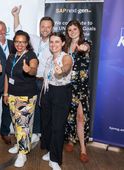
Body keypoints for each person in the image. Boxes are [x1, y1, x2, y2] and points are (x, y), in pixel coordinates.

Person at [12, 5, 54, 143]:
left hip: (45, 81)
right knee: (31, 109)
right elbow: (19, 32)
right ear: (40, 27)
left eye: (48, 27)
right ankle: (34, 132)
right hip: (30, 80)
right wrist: (16, 15)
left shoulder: (54, 43)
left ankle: (43, 134)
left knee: (44, 109)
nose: (45, 29)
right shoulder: (34, 39)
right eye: (43, 26)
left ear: (52, 29)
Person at [3, 30, 39, 168]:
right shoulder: (11, 56)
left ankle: (22, 154)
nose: (20, 44)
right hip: (12, 95)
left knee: (23, 126)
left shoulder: (31, 55)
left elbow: (34, 69)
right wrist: (5, 94)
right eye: (17, 41)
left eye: (23, 42)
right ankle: (20, 146)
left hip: (26, 96)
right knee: (16, 123)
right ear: (14, 42)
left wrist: (29, 69)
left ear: (27, 43)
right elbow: (7, 76)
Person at [41, 32, 73, 170]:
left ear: (63, 43)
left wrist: (61, 71)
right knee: (47, 124)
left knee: (57, 127)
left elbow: (66, 67)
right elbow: (47, 78)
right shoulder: (49, 59)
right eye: (51, 42)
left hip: (61, 93)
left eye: (57, 42)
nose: (53, 44)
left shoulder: (67, 57)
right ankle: (50, 151)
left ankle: (55, 159)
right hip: (48, 92)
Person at [64, 20, 91, 163]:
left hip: (80, 88)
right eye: (69, 30)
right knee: (69, 115)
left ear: (79, 30)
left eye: (75, 29)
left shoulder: (86, 43)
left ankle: (83, 149)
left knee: (80, 117)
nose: (72, 31)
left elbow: (86, 47)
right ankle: (70, 139)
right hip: (67, 85)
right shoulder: (65, 46)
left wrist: (82, 47)